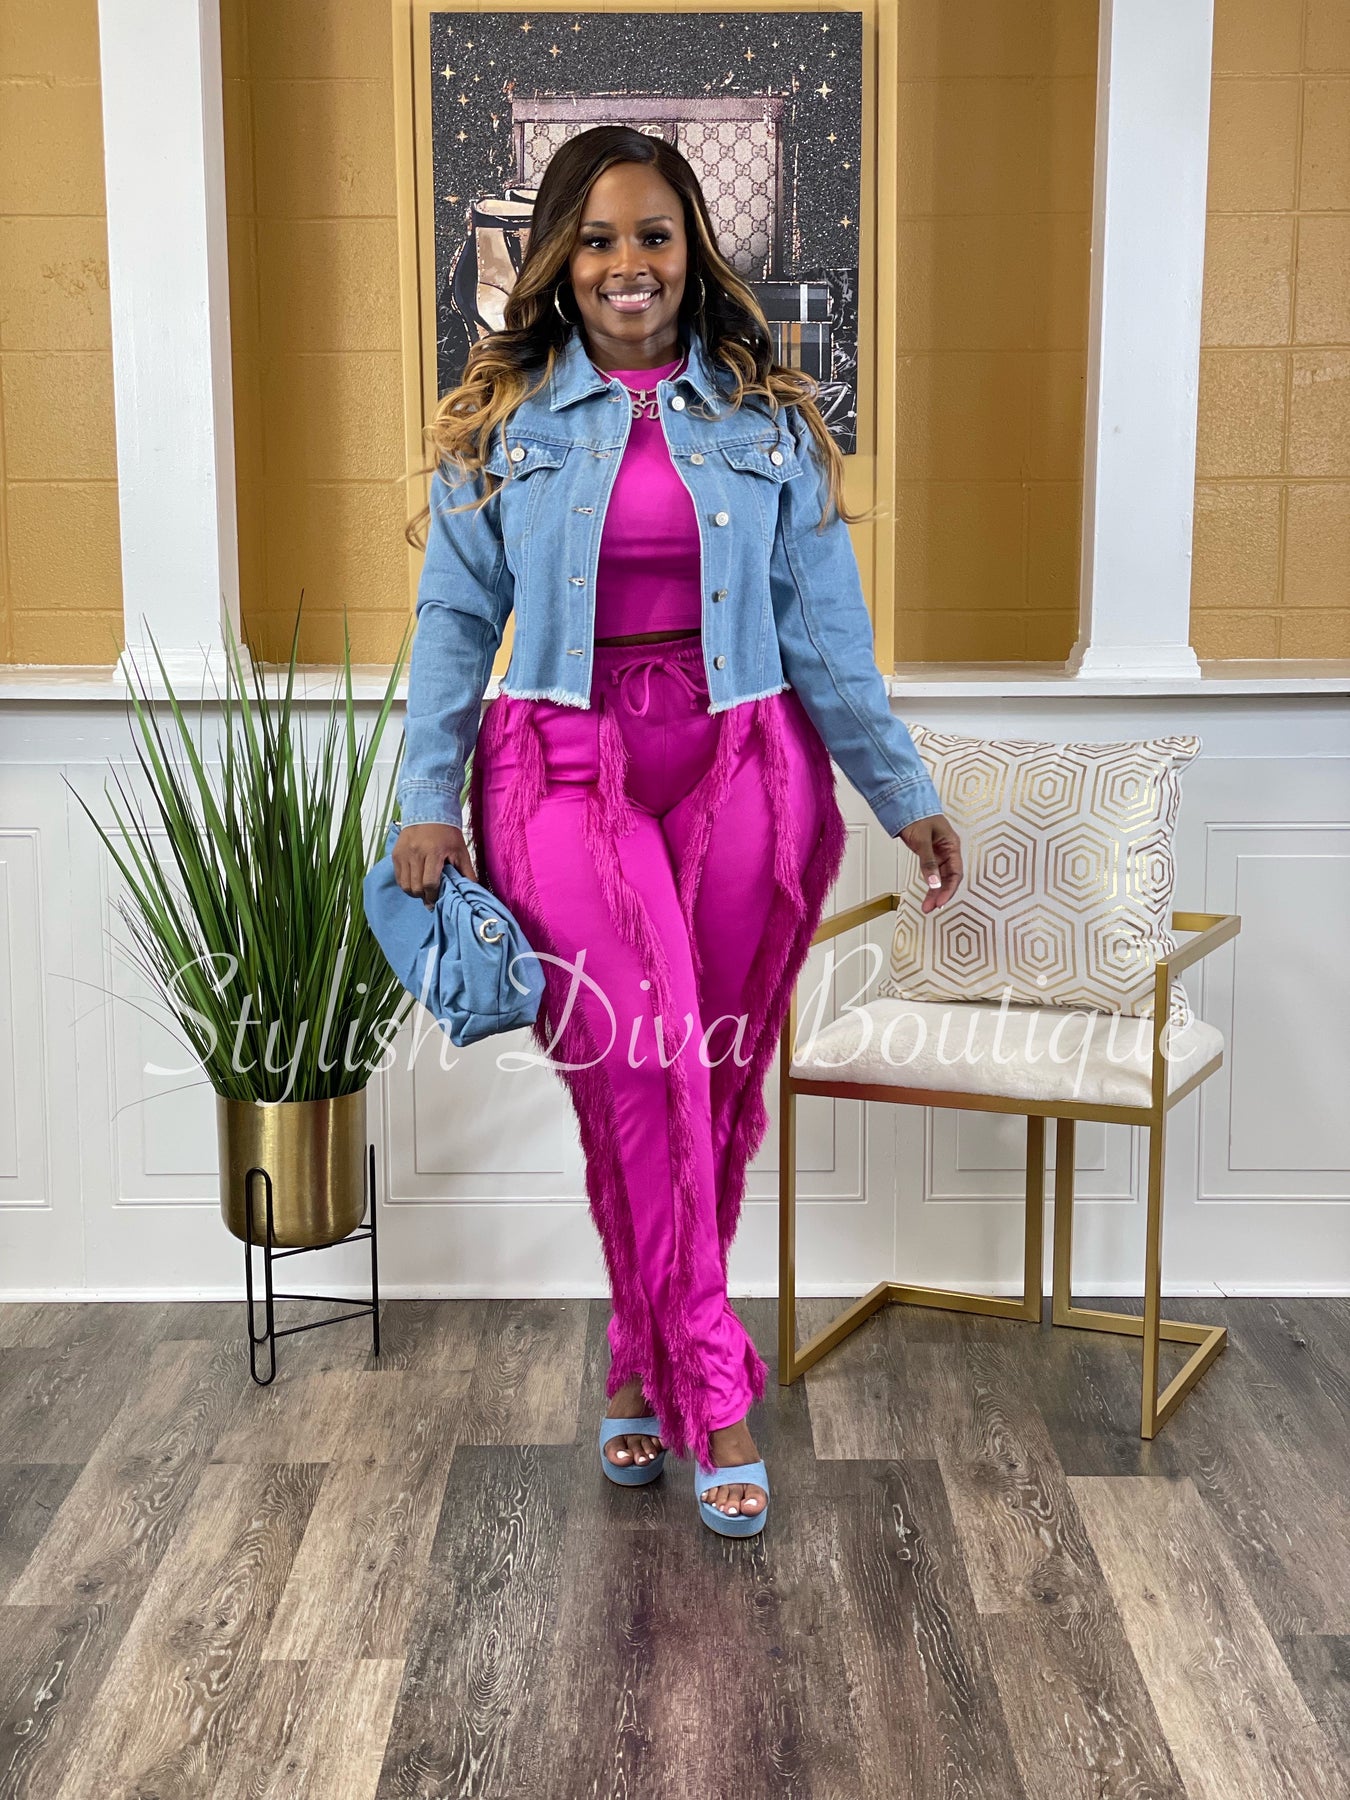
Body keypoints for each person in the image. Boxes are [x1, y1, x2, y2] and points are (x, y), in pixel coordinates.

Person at [394, 125, 963, 1536]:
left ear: (691, 251)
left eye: (652, 236)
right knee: (638, 1059)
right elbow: (455, 618)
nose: (626, 265)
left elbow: (825, 633)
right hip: (559, 765)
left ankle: (637, 1352)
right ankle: (713, 1382)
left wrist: (903, 794)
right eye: (595, 240)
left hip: (744, 763)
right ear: (558, 262)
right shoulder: (502, 423)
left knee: (709, 1076)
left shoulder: (766, 421)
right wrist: (425, 799)